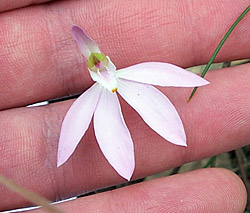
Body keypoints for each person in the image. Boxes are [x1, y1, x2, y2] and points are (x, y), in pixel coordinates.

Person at [0, 0, 249, 212]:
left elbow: (174, 79)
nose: (100, 66)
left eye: (100, 62)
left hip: (130, 80)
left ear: (104, 60)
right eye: (95, 65)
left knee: (164, 121)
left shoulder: (138, 73)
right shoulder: (87, 103)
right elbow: (71, 139)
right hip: (106, 94)